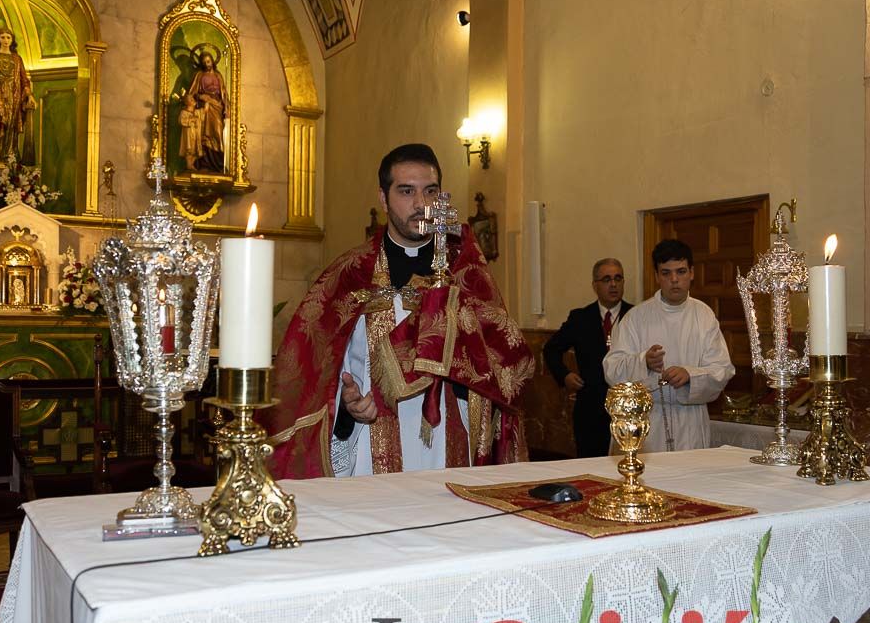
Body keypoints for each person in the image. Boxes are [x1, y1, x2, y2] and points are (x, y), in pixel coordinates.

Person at [258, 143, 534, 478]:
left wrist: (466, 375)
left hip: (453, 453)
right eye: (406, 191)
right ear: (383, 198)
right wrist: (347, 411)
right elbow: (313, 385)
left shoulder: (467, 275)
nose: (421, 204)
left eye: (430, 191)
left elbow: (506, 374)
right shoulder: (348, 276)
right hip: (372, 452)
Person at [603, 239, 734, 451]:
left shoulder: (704, 315)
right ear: (656, 276)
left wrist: (690, 376)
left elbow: (722, 369)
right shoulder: (636, 318)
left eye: (681, 272)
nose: (674, 280)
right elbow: (611, 369)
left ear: (691, 273)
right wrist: (643, 361)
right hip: (647, 424)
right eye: (666, 273)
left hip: (690, 422)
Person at [543, 258, 632, 458]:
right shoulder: (581, 318)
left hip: (627, 407)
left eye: (618, 278)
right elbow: (551, 349)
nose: (613, 284)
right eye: (607, 279)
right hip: (590, 407)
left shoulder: (635, 315)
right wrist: (564, 375)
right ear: (595, 285)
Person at [0, 28, 36, 162]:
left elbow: (24, 79)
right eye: (3, 37)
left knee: (11, 126)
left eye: (8, 37)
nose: (5, 40)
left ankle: (8, 155)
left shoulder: (17, 58)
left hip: (13, 97)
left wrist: (29, 95)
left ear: (12, 40)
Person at [184, 49, 230, 172]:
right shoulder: (199, 75)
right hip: (205, 107)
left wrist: (226, 107)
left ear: (212, 61)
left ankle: (219, 163)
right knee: (204, 134)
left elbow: (224, 94)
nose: (207, 64)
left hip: (217, 106)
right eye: (204, 62)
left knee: (218, 133)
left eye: (208, 61)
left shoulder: (218, 75)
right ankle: (205, 163)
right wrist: (201, 97)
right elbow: (192, 94)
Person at [178, 95, 204, 171]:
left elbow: (203, 113)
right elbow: (181, 121)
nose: (193, 100)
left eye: (192, 98)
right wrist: (191, 120)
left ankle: (191, 164)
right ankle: (189, 165)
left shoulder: (197, 112)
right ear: (186, 102)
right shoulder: (184, 112)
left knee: (196, 149)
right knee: (189, 149)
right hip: (189, 134)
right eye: (190, 99)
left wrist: (206, 105)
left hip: (196, 133)